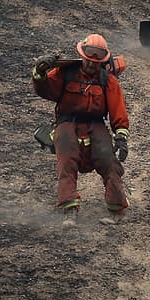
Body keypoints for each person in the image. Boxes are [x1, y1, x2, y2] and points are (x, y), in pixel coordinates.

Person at [31, 33, 130, 224]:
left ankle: (117, 210)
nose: (92, 65)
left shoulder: (107, 81)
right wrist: (39, 73)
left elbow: (118, 111)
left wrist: (121, 137)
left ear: (102, 61)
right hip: (67, 122)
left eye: (96, 62)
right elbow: (45, 90)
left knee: (109, 161)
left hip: (96, 124)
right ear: (82, 56)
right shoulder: (65, 73)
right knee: (67, 161)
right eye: (88, 61)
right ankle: (69, 210)